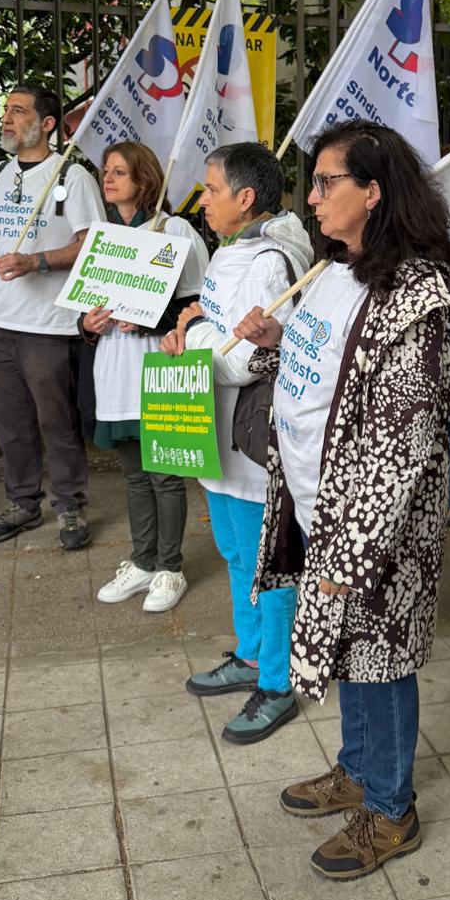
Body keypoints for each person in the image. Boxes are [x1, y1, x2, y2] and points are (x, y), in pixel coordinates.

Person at [234, 119, 450, 879]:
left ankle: (391, 809)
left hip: (375, 523)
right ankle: (359, 769)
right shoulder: (335, 271)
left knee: (381, 656)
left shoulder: (414, 300)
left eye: (326, 182)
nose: (311, 198)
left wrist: (349, 550)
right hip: (322, 501)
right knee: (349, 648)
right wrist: (277, 344)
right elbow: (330, 374)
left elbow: (402, 441)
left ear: (372, 192)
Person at [161, 142, 313, 743]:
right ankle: (251, 656)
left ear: (245, 198)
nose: (203, 200)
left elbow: (248, 360)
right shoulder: (233, 249)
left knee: (267, 566)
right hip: (215, 435)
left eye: (213, 189)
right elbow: (216, 338)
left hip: (252, 445)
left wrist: (196, 327)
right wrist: (185, 336)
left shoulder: (273, 259)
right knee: (235, 552)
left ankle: (277, 681)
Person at [0, 85, 104, 550]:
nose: (7, 118)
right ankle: (23, 502)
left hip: (48, 326)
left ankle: (70, 505)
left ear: (46, 124)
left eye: (18, 111)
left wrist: (38, 262)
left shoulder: (72, 177)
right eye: (6, 110)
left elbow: (92, 243)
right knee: (9, 423)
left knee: (57, 422)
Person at [80, 142, 209, 612]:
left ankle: (170, 568)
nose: (108, 178)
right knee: (134, 475)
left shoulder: (173, 230)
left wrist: (150, 320)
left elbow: (200, 304)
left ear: (145, 179)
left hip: (158, 362)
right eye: (106, 171)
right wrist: (87, 323)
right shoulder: (106, 236)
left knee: (164, 473)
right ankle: (143, 561)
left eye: (120, 171)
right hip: (115, 367)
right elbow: (85, 305)